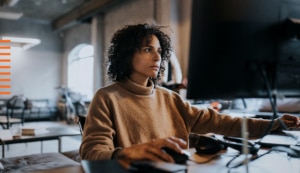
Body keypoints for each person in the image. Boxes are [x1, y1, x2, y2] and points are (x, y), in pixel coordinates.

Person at [79, 23, 300, 164]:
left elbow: (225, 123)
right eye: (148, 49)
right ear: (127, 55)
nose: (157, 58)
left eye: (159, 51)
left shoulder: (171, 99)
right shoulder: (107, 97)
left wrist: (276, 124)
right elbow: (91, 152)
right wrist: (125, 153)